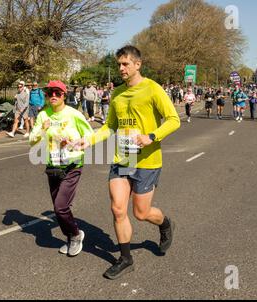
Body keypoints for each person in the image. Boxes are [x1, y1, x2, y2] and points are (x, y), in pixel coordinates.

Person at [74, 46, 180, 279]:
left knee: (141, 213)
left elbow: (174, 120)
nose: (120, 68)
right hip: (123, 158)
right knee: (118, 208)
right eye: (119, 64)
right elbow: (110, 126)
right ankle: (125, 259)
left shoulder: (152, 89)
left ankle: (164, 224)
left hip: (147, 161)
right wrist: (89, 140)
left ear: (137, 65)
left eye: (125, 64)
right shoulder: (117, 93)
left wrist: (151, 136)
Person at [29, 80, 93, 257]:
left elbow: (89, 133)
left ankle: (75, 235)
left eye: (58, 93)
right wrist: (43, 129)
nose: (54, 96)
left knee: (60, 207)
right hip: (53, 166)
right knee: (60, 207)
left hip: (72, 165)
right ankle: (72, 235)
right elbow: (32, 140)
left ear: (64, 95)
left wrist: (81, 143)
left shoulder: (73, 114)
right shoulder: (43, 116)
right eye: (50, 93)